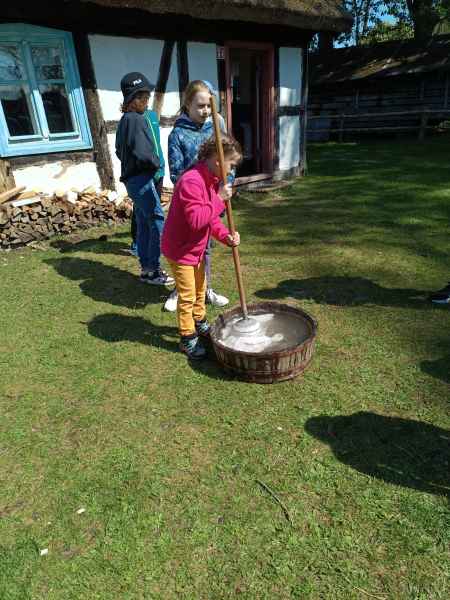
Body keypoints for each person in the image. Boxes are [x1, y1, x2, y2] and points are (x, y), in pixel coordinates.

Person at [161, 134, 242, 360]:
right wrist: (218, 198)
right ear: (218, 160)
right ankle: (187, 338)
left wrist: (225, 236)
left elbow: (211, 219)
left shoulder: (210, 181)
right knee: (187, 296)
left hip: (196, 249)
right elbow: (197, 219)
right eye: (231, 164)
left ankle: (199, 322)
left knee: (200, 290)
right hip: (180, 250)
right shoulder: (192, 181)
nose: (232, 170)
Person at [165, 80, 231, 311]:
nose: (205, 111)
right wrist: (198, 183)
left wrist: (227, 183)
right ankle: (181, 290)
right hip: (191, 202)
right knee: (185, 247)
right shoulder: (177, 135)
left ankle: (206, 288)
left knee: (206, 247)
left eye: (208, 106)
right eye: (200, 106)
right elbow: (176, 173)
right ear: (187, 105)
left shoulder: (215, 131)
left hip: (215, 198)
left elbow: (227, 161)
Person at [116, 72, 173, 286]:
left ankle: (147, 269)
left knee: (143, 222)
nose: (147, 101)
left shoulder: (124, 121)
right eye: (143, 97)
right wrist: (156, 163)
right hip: (141, 180)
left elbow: (119, 151)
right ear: (132, 99)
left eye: (147, 96)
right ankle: (155, 269)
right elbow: (144, 153)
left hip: (132, 180)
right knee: (157, 220)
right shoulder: (136, 120)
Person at [128, 108, 165, 257]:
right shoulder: (131, 119)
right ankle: (137, 244)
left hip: (159, 169)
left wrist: (160, 163)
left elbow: (156, 142)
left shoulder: (152, 115)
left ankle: (152, 242)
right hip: (143, 171)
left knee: (155, 209)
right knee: (140, 209)